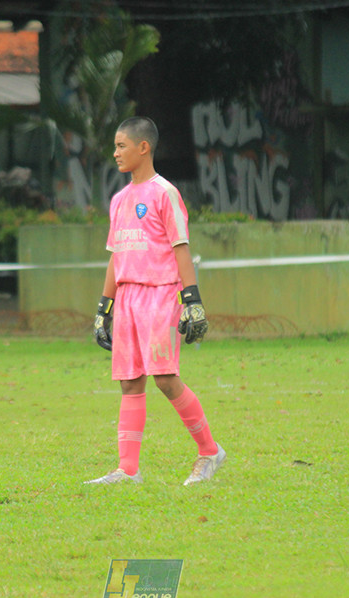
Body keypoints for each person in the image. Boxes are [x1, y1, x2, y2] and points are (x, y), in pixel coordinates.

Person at [85, 116, 225, 487]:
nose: (115, 153)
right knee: (130, 383)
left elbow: (181, 248)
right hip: (128, 298)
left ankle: (210, 452)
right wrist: (104, 308)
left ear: (142, 147)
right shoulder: (119, 200)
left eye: (121, 145)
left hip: (161, 293)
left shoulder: (165, 193)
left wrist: (192, 300)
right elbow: (116, 256)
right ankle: (128, 470)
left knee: (164, 378)